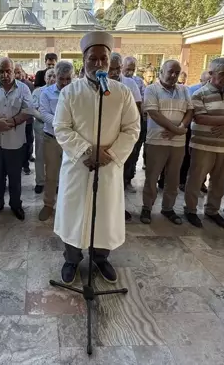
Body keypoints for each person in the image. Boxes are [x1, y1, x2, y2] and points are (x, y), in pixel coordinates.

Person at [54, 32, 139, 285]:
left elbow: (132, 128)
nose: (99, 64)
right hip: (78, 165)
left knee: (104, 214)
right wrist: (87, 150)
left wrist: (109, 154)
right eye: (93, 59)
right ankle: (71, 259)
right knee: (74, 213)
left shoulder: (121, 93)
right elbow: (61, 127)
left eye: (104, 59)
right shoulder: (70, 92)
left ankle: (101, 258)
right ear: (84, 60)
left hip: (108, 165)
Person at [183, 58, 224, 228]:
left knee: (219, 180)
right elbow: (200, 117)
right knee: (196, 179)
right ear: (211, 74)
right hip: (203, 145)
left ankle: (212, 210)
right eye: (222, 73)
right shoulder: (199, 94)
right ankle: (190, 210)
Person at [140, 60, 193, 225]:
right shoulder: (152, 89)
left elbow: (190, 111)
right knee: (152, 177)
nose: (173, 75)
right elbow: (154, 113)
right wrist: (176, 129)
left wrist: (182, 127)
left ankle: (168, 208)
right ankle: (147, 208)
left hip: (177, 144)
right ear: (161, 71)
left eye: (177, 73)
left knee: (173, 178)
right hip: (156, 141)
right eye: (170, 71)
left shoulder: (184, 90)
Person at [0, 57, 33, 220]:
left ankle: (16, 204)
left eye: (8, 71)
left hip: (15, 141)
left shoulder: (23, 88)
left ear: (14, 70)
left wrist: (12, 122)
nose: (5, 74)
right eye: (1, 71)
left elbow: (28, 110)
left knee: (15, 176)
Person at [38, 63, 74, 221]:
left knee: (72, 174)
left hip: (72, 140)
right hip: (51, 138)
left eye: (68, 79)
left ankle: (69, 206)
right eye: (61, 79)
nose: (65, 82)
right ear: (56, 76)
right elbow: (44, 114)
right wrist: (62, 124)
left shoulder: (77, 92)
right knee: (51, 175)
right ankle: (48, 205)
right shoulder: (46, 93)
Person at [108, 53, 142, 218]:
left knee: (119, 176)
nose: (114, 72)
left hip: (122, 139)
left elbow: (136, 110)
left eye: (117, 68)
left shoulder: (130, 84)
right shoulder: (97, 84)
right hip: (104, 139)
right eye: (111, 69)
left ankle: (118, 208)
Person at [122, 56, 148, 187]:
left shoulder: (137, 81)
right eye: (127, 69)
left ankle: (128, 178)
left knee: (133, 152)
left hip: (135, 121)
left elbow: (141, 101)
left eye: (132, 70)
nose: (130, 72)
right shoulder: (114, 81)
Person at [32, 68, 55, 197]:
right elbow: (33, 109)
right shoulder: (38, 91)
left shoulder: (62, 91)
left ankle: (55, 183)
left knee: (55, 157)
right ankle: (40, 182)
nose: (52, 78)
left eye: (54, 75)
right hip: (41, 127)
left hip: (56, 129)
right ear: (45, 78)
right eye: (49, 76)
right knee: (40, 156)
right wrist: (45, 118)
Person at [14, 63, 35, 174]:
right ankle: (19, 164)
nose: (17, 74)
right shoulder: (11, 86)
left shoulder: (29, 85)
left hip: (28, 121)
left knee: (28, 142)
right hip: (16, 122)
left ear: (22, 72)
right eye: (15, 72)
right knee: (18, 144)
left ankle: (26, 164)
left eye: (18, 72)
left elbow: (32, 103)